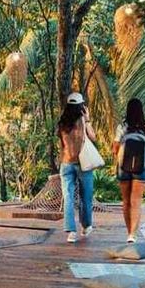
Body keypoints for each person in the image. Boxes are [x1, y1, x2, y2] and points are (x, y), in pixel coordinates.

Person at [113, 98, 145, 243]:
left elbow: (115, 149)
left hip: (123, 167)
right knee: (136, 202)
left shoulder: (122, 127)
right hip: (141, 167)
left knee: (126, 201)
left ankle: (128, 231)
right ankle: (133, 234)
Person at [58, 92, 97, 243]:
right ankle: (86, 226)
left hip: (66, 163)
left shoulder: (62, 122)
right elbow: (93, 137)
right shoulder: (82, 120)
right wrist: (88, 120)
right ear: (81, 106)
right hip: (82, 163)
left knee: (68, 197)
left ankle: (71, 232)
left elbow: (62, 144)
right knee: (85, 196)